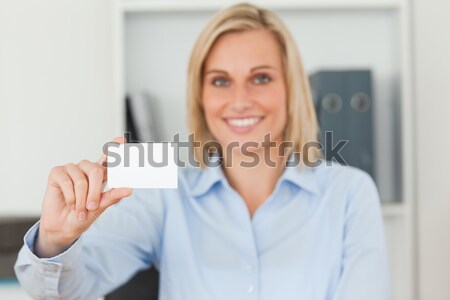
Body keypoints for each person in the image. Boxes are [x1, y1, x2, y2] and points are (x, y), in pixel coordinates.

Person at [15, 3, 391, 300]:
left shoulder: (349, 192)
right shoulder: (165, 195)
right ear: (201, 96)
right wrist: (56, 240)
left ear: (291, 89)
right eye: (220, 81)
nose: (240, 100)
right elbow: (65, 290)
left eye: (261, 78)